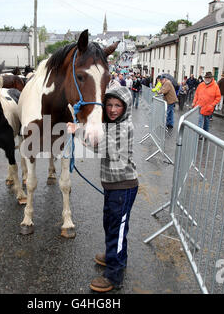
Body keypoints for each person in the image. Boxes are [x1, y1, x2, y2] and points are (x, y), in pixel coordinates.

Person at [67, 86, 138, 293]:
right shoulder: (112, 124)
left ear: (126, 108)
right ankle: (113, 256)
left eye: (118, 105)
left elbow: (103, 147)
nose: (113, 109)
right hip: (112, 186)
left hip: (123, 187)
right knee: (110, 224)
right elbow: (97, 132)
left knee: (117, 229)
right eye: (109, 105)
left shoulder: (125, 127)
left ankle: (114, 275)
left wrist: (77, 132)